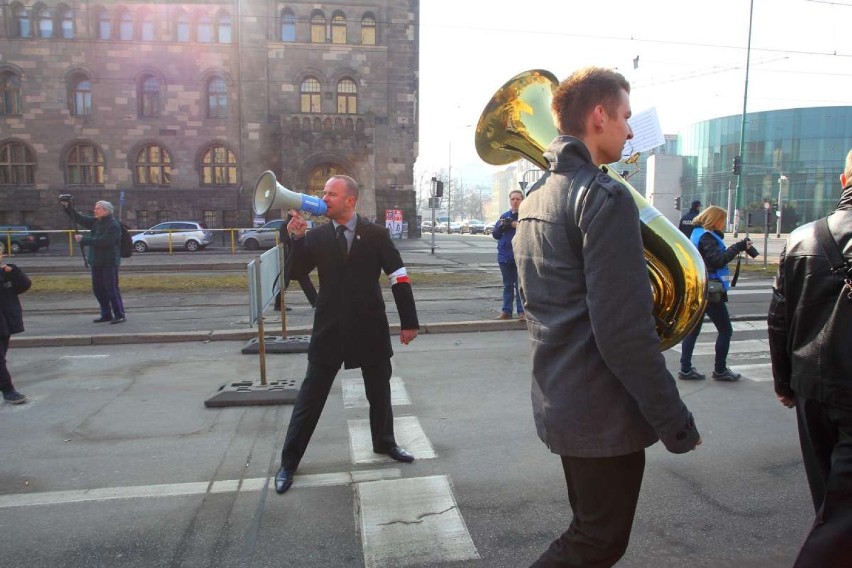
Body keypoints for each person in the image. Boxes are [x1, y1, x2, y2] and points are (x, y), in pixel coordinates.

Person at [513, 66, 701, 567]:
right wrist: (674, 421)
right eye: (623, 116)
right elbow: (623, 333)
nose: (630, 129)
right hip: (601, 411)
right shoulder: (605, 196)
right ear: (599, 117)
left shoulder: (534, 200)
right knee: (596, 541)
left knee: (589, 532)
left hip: (562, 401)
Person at [274, 175, 420, 494]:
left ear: (349, 201)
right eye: (323, 192)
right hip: (329, 328)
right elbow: (295, 273)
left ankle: (385, 443)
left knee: (379, 391)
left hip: (369, 326)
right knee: (310, 398)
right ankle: (288, 463)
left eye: (331, 193)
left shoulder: (376, 234)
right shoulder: (318, 236)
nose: (323, 198)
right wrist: (295, 240)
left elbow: (399, 277)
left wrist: (409, 321)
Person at [768, 148, 852, 567]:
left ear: (842, 181)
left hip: (811, 389)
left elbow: (779, 318)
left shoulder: (802, 237)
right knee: (840, 520)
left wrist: (784, 384)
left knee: (828, 502)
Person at [677, 206, 752, 382]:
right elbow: (717, 261)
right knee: (725, 330)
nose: (724, 224)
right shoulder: (707, 237)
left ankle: (685, 369)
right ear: (715, 220)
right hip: (710, 291)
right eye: (722, 220)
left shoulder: (697, 233)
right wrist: (737, 247)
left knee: (693, 330)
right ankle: (720, 370)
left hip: (700, 286)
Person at [61, 199, 126, 324]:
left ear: (106, 211)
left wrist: (84, 240)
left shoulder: (113, 225)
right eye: (95, 208)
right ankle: (106, 313)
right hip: (96, 261)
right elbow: (79, 218)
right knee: (98, 289)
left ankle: (119, 314)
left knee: (111, 289)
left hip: (109, 262)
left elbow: (105, 241)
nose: (95, 210)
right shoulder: (96, 222)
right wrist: (68, 207)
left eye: (97, 208)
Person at [0, 241, 31, 404]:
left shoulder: (7, 272)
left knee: (2, 354)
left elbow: (24, 286)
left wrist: (14, 273)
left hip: (6, 320)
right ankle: (8, 389)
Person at [274, 214, 318, 312]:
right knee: (289, 281)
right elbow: (284, 242)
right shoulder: (285, 225)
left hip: (295, 258)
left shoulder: (291, 224)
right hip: (290, 259)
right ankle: (315, 302)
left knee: (302, 280)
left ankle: (315, 302)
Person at [492, 189, 524, 320]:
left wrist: (518, 225)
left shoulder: (525, 215)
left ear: (522, 200)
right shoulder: (505, 216)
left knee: (520, 286)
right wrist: (502, 225)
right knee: (508, 285)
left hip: (520, 256)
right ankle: (507, 311)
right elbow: (495, 235)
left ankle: (522, 312)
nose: (515, 201)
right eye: (513, 199)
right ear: (510, 200)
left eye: (518, 199)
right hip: (505, 256)